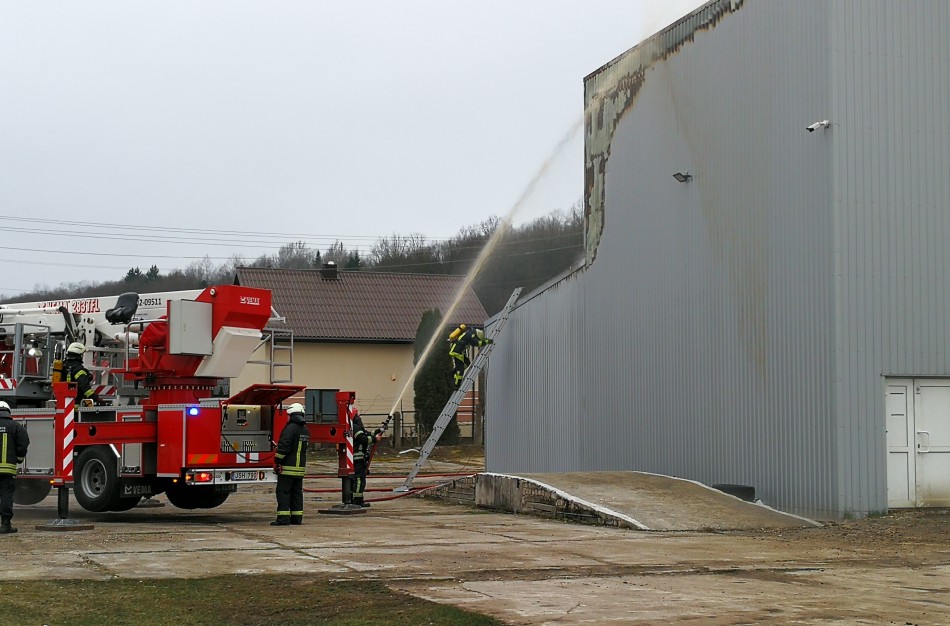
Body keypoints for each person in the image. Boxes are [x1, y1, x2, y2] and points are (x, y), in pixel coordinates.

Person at [272, 402, 309, 526]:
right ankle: (297, 519)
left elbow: (284, 447)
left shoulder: (290, 428)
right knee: (297, 493)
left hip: (287, 468)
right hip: (299, 469)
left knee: (283, 492)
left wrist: (278, 461)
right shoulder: (305, 430)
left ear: (291, 415)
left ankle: (283, 519)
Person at [0, 400, 30, 534]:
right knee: (6, 494)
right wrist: (19, 458)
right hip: (7, 470)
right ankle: (5, 524)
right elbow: (24, 443)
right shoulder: (16, 426)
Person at [350, 409, 382, 507]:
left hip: (360, 458)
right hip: (358, 458)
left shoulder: (358, 428)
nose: (359, 418)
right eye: (358, 416)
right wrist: (375, 439)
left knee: (359, 479)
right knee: (359, 479)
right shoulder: (354, 427)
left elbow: (368, 434)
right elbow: (363, 439)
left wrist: (379, 430)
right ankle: (358, 500)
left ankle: (356, 499)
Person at [62, 342, 103, 407]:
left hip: (62, 402)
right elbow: (85, 388)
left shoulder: (63, 365)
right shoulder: (78, 369)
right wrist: (97, 399)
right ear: (79, 355)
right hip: (74, 405)